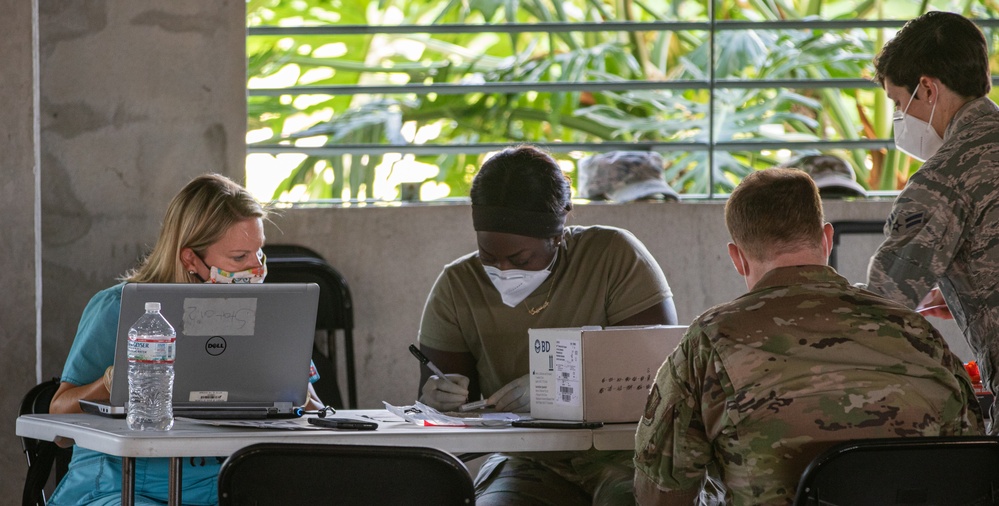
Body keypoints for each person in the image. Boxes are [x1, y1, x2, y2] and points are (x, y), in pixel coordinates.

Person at [634, 168, 983, 505]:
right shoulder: (917, 332)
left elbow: (662, 492)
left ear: (737, 259)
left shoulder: (709, 342)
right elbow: (972, 464)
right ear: (827, 239)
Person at [417, 145, 678, 505]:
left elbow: (659, 379)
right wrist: (435, 399)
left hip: (624, 453)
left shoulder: (613, 257)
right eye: (488, 257)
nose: (503, 272)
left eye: (520, 258)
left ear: (557, 234)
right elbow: (443, 396)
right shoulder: (458, 284)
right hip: (526, 457)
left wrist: (555, 392)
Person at [47, 174, 323, 505]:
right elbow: (59, 427)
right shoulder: (118, 308)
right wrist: (113, 379)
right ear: (191, 258)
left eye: (259, 253)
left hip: (229, 485)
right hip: (122, 486)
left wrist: (293, 387)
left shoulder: (270, 315)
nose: (257, 268)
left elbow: (315, 412)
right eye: (239, 258)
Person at [865, 11, 999, 428]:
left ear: (927, 89)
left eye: (897, 103)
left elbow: (881, 305)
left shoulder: (945, 177)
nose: (899, 119)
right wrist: (963, 289)